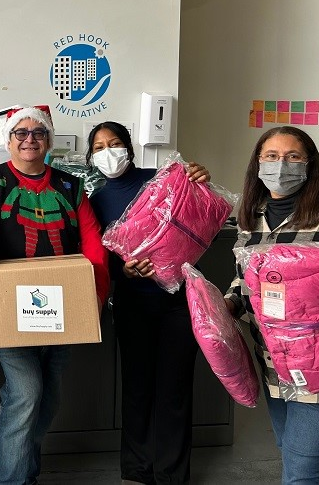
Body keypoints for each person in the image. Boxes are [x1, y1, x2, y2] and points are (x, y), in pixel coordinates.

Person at [0, 105, 110, 485]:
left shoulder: (70, 186)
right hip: (8, 306)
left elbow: (92, 239)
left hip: (64, 305)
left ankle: (25, 472)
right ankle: (8, 480)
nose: (30, 139)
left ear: (49, 140)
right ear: (8, 141)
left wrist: (95, 294)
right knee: (26, 393)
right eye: (21, 133)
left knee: (47, 398)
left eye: (38, 133)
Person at [224, 126, 319, 485]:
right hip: (274, 364)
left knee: (302, 473)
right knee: (296, 456)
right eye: (271, 157)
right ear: (257, 163)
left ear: (310, 164)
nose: (281, 165)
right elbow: (245, 279)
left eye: (293, 157)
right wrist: (229, 304)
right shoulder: (254, 218)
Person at [84, 121, 211, 485]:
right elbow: (100, 257)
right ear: (92, 157)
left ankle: (172, 474)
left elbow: (199, 221)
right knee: (137, 389)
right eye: (99, 147)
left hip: (178, 302)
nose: (109, 152)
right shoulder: (95, 201)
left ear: (129, 147)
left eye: (115, 143)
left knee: (173, 391)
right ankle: (137, 469)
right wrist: (123, 269)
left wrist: (198, 180)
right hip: (132, 304)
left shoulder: (164, 181)